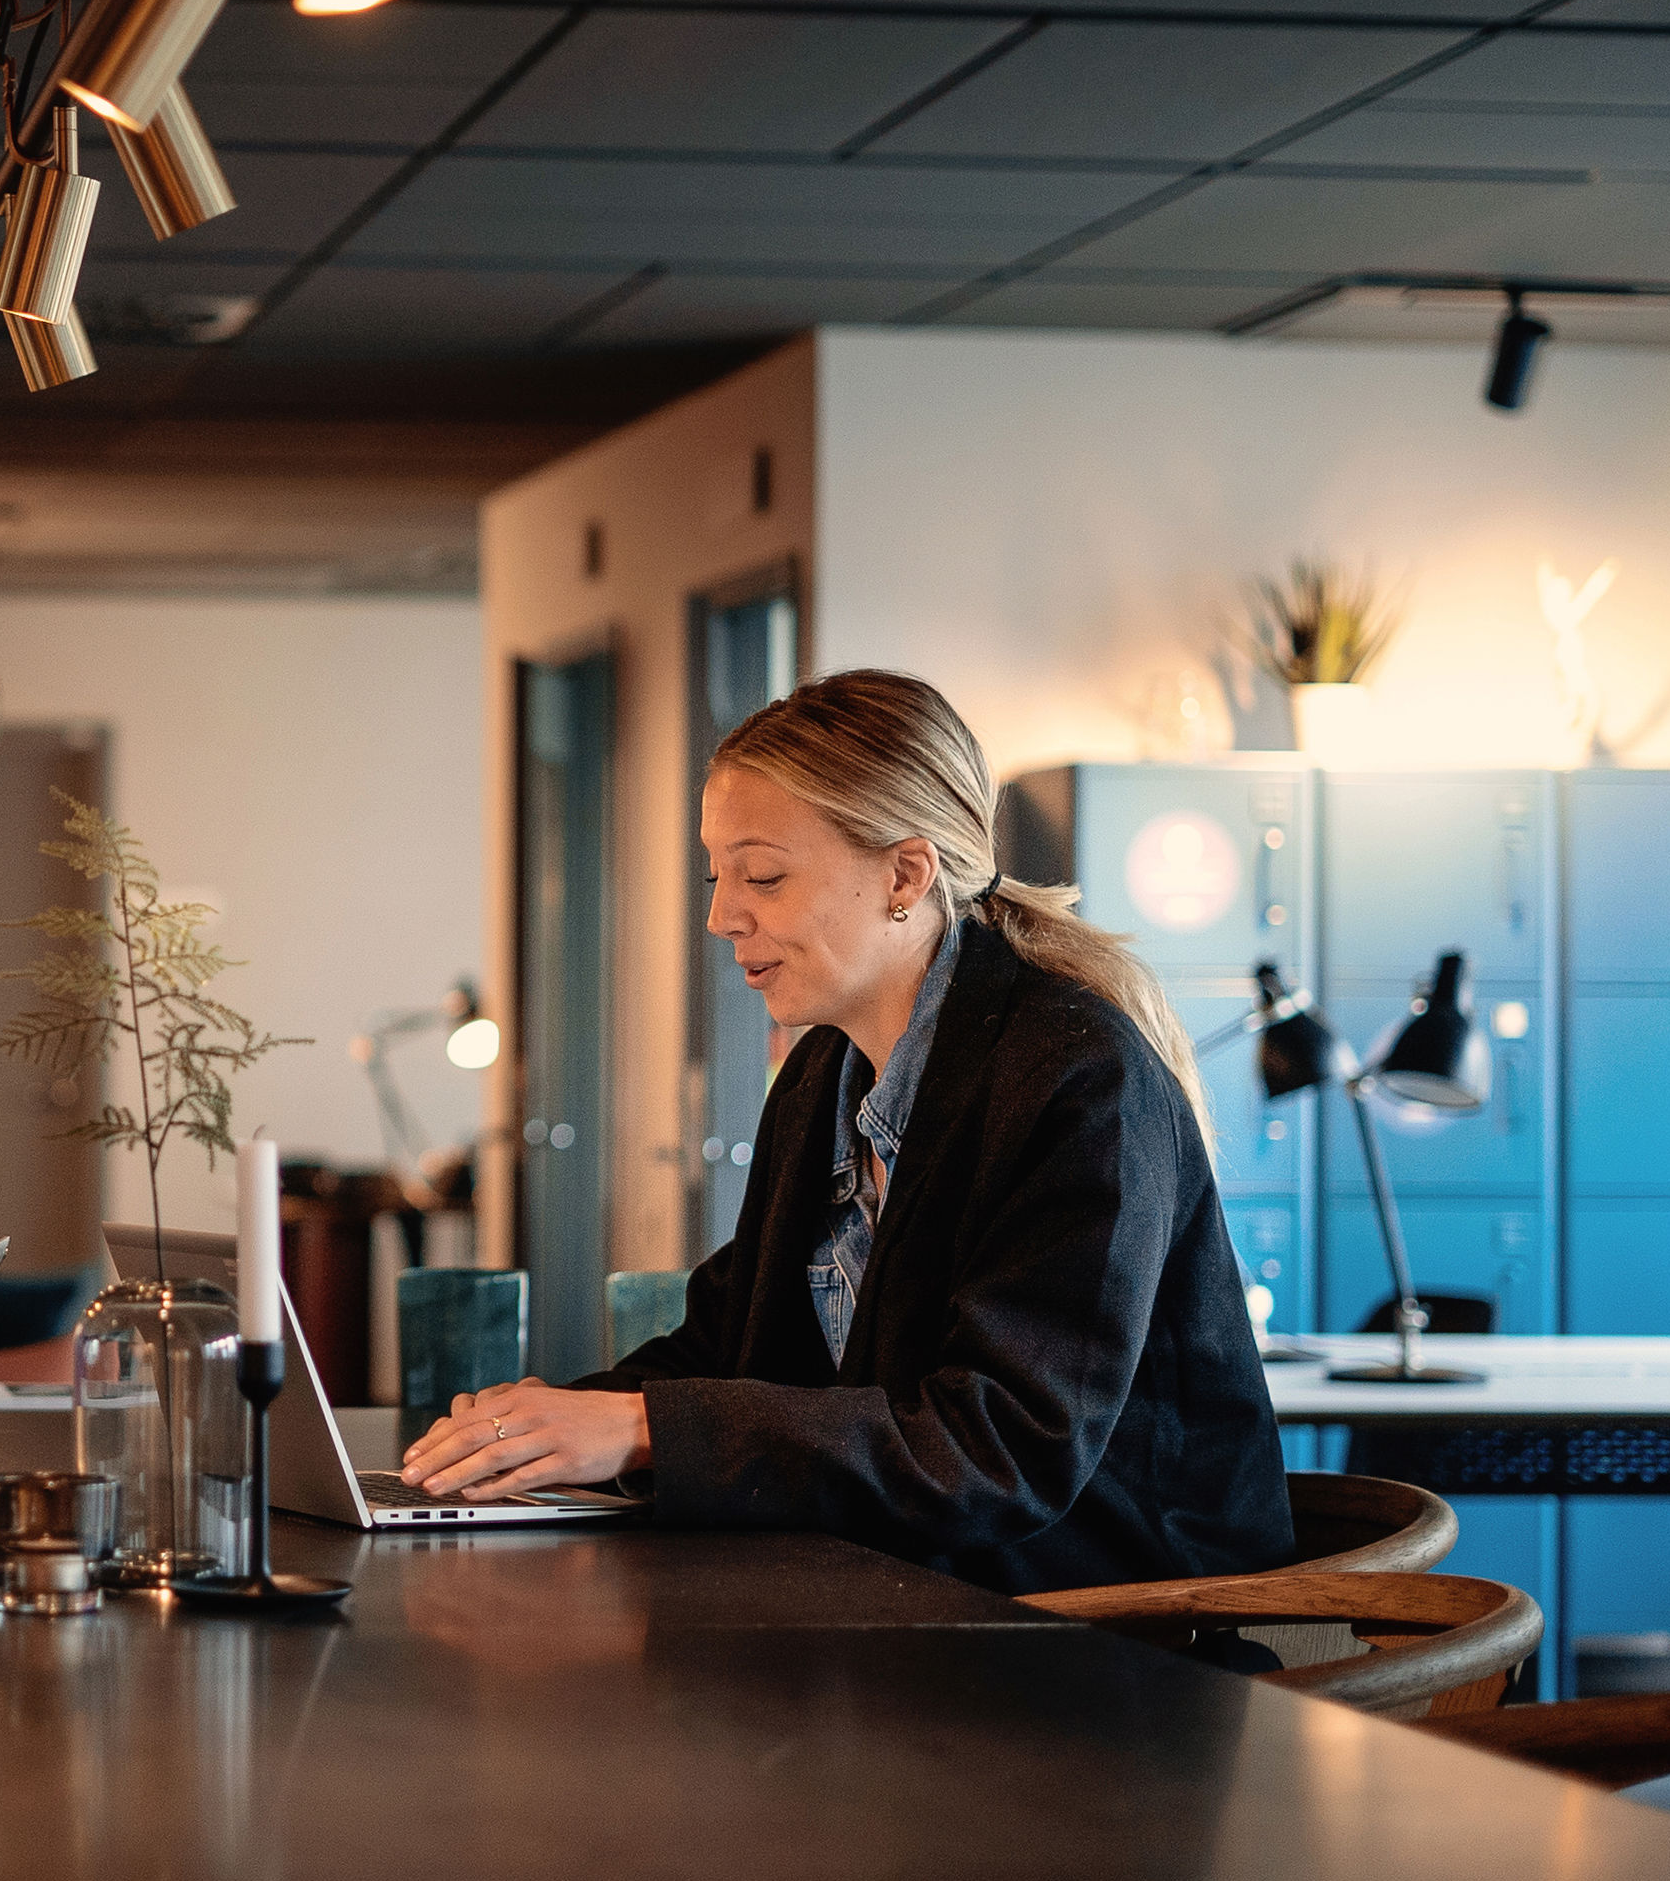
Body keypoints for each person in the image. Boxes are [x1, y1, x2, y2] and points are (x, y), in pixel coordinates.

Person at [402, 668, 1293, 1593]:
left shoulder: (1079, 1079)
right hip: (899, 1613)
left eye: (765, 876)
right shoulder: (823, 1074)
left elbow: (999, 1452)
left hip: (1102, 1651)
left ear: (906, 873)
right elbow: (728, 1342)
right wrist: (532, 1430)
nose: (720, 915)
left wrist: (641, 1430)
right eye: (719, 876)